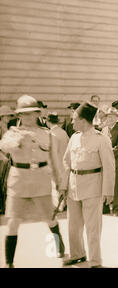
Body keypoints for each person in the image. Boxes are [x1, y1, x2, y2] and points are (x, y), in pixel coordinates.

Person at [0, 95, 66, 268]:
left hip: (41, 180)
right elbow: (4, 148)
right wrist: (18, 141)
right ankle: (9, 262)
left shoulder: (46, 134)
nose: (28, 117)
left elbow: (54, 160)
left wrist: (60, 182)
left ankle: (60, 248)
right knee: (13, 222)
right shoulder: (12, 133)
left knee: (49, 219)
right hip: (18, 180)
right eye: (24, 114)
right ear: (19, 116)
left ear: (37, 114)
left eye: (31, 113)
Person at [61, 101, 115, 268]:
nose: (72, 122)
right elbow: (66, 162)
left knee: (93, 227)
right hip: (73, 187)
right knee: (73, 225)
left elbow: (109, 166)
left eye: (74, 119)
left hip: (93, 186)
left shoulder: (101, 139)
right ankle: (77, 254)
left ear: (84, 120)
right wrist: (64, 185)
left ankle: (95, 261)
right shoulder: (74, 138)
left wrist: (108, 191)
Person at [101, 108, 118, 216]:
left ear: (117, 118)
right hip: (104, 161)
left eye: (113, 117)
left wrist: (108, 154)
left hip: (116, 160)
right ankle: (105, 206)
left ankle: (116, 207)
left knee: (116, 184)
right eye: (108, 116)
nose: (110, 118)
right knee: (105, 183)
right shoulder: (104, 130)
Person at [46, 112, 69, 208]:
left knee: (56, 185)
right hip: (65, 162)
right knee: (64, 184)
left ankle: (59, 205)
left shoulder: (51, 134)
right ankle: (64, 203)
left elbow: (52, 152)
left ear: (48, 121)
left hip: (56, 163)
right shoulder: (63, 132)